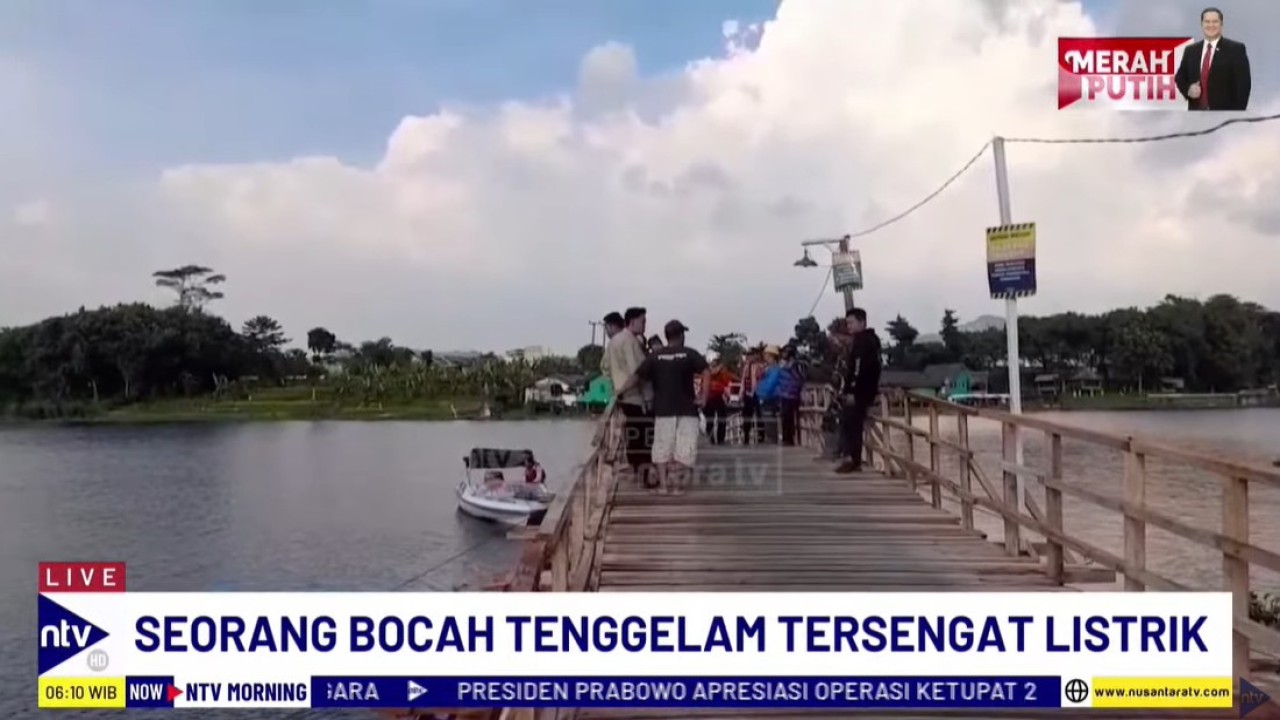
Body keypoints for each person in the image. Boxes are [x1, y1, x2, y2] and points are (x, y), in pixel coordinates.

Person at [616, 320, 709, 495]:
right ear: (681, 335)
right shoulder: (689, 354)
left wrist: (620, 391)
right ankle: (678, 487)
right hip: (687, 410)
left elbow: (637, 377)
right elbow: (706, 371)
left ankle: (664, 486)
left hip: (663, 410)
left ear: (667, 336)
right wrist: (703, 396)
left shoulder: (655, 357)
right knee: (685, 449)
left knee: (661, 448)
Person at [603, 306, 655, 486]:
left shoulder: (614, 341)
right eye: (643, 321)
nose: (645, 324)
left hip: (622, 396)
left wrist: (616, 386)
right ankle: (645, 476)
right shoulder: (630, 341)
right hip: (635, 396)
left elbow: (605, 367)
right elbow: (639, 372)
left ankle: (637, 472)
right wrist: (646, 397)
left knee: (632, 436)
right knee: (643, 438)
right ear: (632, 321)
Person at [1174, 7, 1251, 111]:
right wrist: (1188, 90)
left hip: (1225, 119)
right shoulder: (1191, 51)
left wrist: (1235, 116)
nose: (1211, 25)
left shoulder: (1236, 49)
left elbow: (1243, 87)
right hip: (1196, 117)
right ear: (1202, 24)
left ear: (1221, 24)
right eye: (1207, 22)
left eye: (1215, 21)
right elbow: (1180, 77)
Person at [836, 308, 883, 474]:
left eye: (851, 322)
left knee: (850, 424)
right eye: (847, 322)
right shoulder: (872, 340)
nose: (848, 326)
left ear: (862, 322)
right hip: (866, 390)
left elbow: (858, 369)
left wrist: (852, 392)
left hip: (860, 392)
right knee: (851, 423)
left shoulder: (864, 342)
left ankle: (851, 460)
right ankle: (853, 459)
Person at [703, 356, 735, 445]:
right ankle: (711, 439)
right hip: (709, 398)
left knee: (722, 418)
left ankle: (721, 439)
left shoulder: (722, 373)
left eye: (716, 361)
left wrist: (728, 396)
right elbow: (711, 373)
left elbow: (727, 383)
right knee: (710, 420)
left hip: (718, 397)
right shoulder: (706, 371)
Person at [738, 347, 766, 445]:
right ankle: (746, 437)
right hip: (748, 393)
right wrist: (741, 393)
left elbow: (762, 379)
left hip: (757, 393)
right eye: (748, 355)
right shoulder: (746, 366)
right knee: (746, 416)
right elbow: (743, 380)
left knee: (759, 416)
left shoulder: (761, 366)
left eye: (750, 355)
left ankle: (761, 437)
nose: (748, 357)